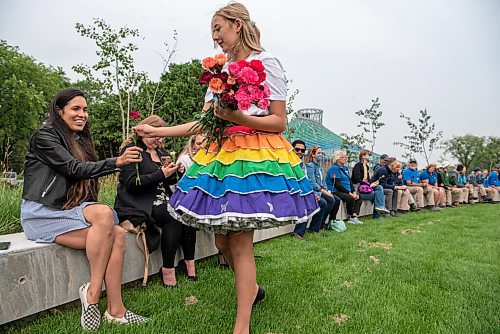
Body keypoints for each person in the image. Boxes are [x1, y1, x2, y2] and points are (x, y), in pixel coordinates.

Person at [133, 4, 319, 333]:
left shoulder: (266, 63)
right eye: (213, 32)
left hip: (255, 156)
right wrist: (157, 131)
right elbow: (202, 124)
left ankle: (241, 325)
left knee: (240, 243)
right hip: (221, 159)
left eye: (218, 29)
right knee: (222, 244)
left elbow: (278, 122)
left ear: (236, 24)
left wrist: (239, 118)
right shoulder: (219, 75)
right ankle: (253, 291)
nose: (215, 37)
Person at [20, 89, 148, 331]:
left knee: (117, 234)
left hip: (67, 211)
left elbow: (85, 177)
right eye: (76, 109)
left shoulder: (79, 139)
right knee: (103, 214)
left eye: (85, 110)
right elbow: (73, 168)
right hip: (42, 212)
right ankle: (92, 293)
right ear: (60, 111)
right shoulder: (45, 136)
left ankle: (116, 311)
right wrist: (116, 162)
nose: (82, 114)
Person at [114, 115, 198, 288]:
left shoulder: (162, 153)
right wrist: (161, 174)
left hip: (163, 199)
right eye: (156, 136)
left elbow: (166, 183)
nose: (159, 141)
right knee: (172, 215)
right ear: (145, 131)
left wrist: (176, 173)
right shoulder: (132, 150)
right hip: (139, 202)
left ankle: (190, 264)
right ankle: (168, 269)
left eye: (161, 137)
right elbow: (131, 184)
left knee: (186, 212)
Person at [296, 146, 340, 236]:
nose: (321, 155)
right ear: (313, 154)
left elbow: (322, 181)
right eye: (319, 153)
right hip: (314, 190)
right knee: (325, 201)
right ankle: (315, 227)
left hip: (319, 190)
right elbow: (312, 182)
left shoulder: (319, 167)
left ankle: (321, 224)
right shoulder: (310, 166)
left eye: (321, 153)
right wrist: (322, 191)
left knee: (334, 200)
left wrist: (327, 190)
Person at [326, 150, 364, 224]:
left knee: (360, 197)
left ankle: (354, 215)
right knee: (350, 198)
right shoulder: (334, 168)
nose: (345, 159)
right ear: (337, 159)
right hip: (336, 191)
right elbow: (337, 184)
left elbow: (350, 181)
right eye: (342, 157)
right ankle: (350, 216)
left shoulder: (345, 168)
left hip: (347, 190)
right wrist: (350, 193)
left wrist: (353, 191)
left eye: (345, 157)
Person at [351, 149, 390, 219]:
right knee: (377, 194)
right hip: (359, 188)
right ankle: (377, 214)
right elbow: (357, 179)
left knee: (379, 187)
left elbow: (368, 179)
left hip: (366, 187)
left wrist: (373, 183)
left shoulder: (367, 166)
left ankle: (380, 207)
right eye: (368, 155)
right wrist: (369, 184)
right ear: (363, 156)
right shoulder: (358, 166)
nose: (369, 157)